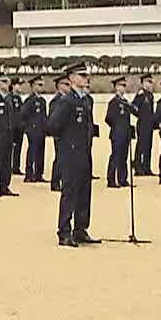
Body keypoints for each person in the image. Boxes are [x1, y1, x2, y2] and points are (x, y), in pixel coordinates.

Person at [48, 63, 98, 247]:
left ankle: (80, 229)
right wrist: (67, 143)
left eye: (86, 75)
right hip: (70, 154)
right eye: (82, 75)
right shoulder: (66, 101)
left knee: (84, 192)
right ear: (71, 78)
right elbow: (52, 126)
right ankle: (64, 231)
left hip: (84, 152)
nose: (86, 78)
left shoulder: (85, 101)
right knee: (70, 192)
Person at [103, 76, 132, 188]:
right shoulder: (113, 102)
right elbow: (108, 118)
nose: (123, 88)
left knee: (124, 157)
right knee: (115, 156)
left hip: (126, 133)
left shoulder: (125, 102)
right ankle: (111, 180)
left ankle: (122, 179)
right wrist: (117, 127)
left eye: (124, 85)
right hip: (117, 133)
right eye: (121, 85)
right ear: (116, 87)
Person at [130, 75, 157, 177]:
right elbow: (133, 107)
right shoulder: (140, 94)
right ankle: (138, 167)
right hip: (142, 124)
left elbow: (151, 110)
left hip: (149, 124)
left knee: (148, 146)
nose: (149, 84)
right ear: (143, 83)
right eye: (147, 82)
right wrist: (140, 116)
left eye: (150, 82)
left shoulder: (150, 95)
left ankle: (147, 167)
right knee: (141, 145)